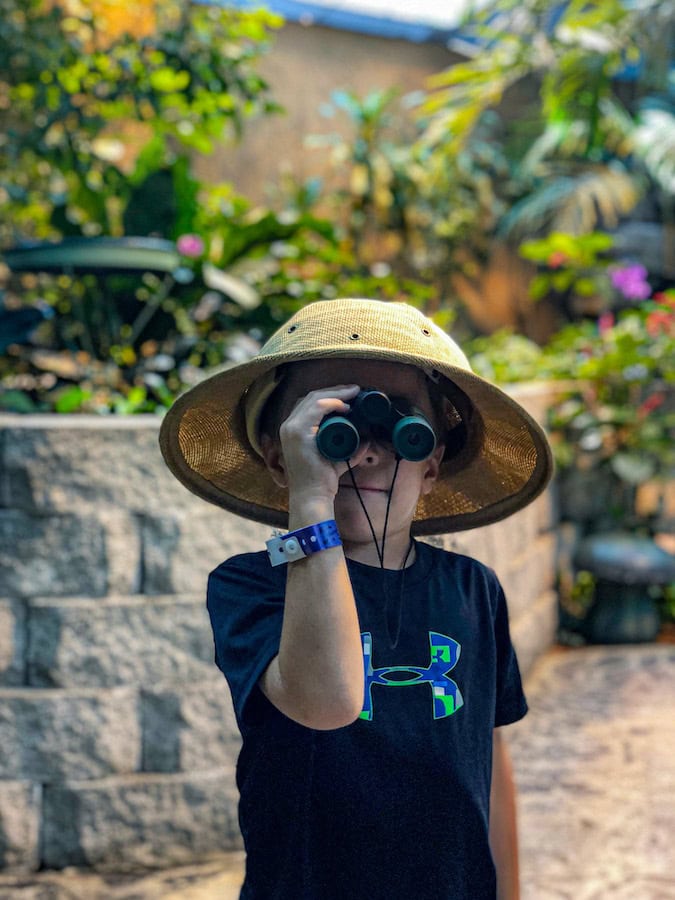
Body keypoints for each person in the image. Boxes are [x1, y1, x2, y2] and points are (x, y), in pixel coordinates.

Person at [159, 298, 553, 900]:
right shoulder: (250, 586)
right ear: (280, 457)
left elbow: (488, 763)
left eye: (399, 427)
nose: (365, 450)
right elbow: (329, 701)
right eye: (333, 425)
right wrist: (312, 500)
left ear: (434, 462)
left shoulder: (474, 590)